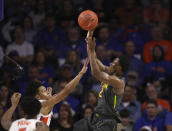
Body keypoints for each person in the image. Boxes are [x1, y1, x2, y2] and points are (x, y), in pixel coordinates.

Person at [73, 31, 130, 130]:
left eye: (114, 63)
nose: (111, 64)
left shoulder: (118, 82)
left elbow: (95, 73)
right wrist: (89, 43)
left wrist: (91, 51)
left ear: (119, 68)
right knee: (78, 126)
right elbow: (94, 59)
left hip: (108, 121)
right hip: (97, 116)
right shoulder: (110, 72)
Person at [24, 59, 88, 126]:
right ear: (37, 97)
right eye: (43, 91)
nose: (47, 92)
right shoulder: (42, 104)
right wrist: (80, 74)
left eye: (45, 90)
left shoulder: (36, 106)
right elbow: (66, 90)